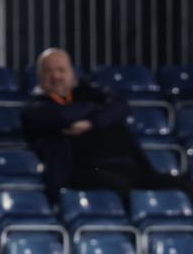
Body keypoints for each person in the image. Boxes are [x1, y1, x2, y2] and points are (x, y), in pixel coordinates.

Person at [21, 48, 177, 202]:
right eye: (48, 71)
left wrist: (91, 123)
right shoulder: (34, 107)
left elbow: (121, 106)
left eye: (61, 70)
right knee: (121, 189)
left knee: (180, 186)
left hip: (130, 167)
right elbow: (63, 115)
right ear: (39, 76)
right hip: (84, 172)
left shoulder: (89, 92)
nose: (56, 76)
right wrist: (99, 110)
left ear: (71, 73)